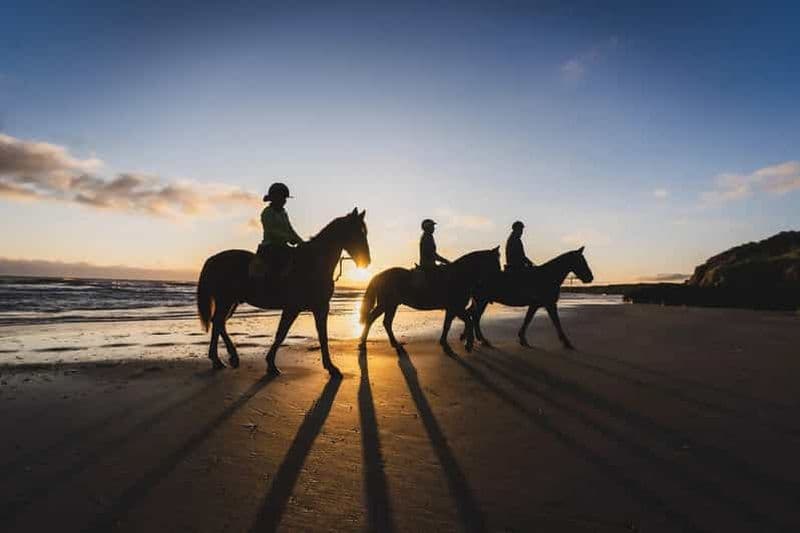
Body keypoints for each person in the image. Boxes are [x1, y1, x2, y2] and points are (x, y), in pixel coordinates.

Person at [258, 182, 303, 279]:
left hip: (283, 246)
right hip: (270, 247)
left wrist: (301, 242)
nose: (284, 201)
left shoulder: (283, 213)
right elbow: (271, 231)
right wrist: (289, 238)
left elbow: (290, 229)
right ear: (275, 198)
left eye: (285, 198)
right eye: (282, 198)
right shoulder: (267, 212)